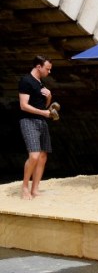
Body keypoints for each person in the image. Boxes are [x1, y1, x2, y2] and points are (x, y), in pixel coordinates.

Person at [18, 55, 55, 200]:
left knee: (43, 156)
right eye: (47, 69)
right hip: (28, 121)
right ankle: (25, 187)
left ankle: (35, 189)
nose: (49, 72)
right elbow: (23, 106)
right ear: (38, 66)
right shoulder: (26, 80)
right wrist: (44, 113)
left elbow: (43, 107)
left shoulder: (40, 83)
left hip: (41, 121)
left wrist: (49, 97)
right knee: (34, 155)